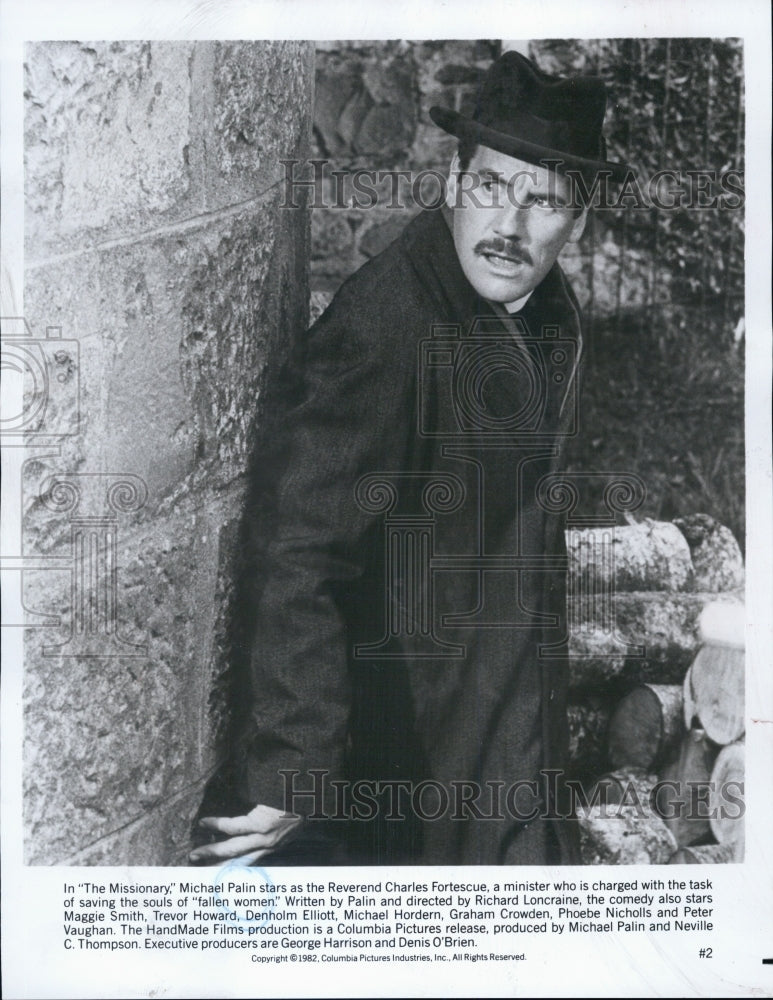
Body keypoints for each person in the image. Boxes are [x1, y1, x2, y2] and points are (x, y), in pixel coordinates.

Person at [190, 50, 629, 866]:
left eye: (543, 202)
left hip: (504, 721)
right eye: (492, 187)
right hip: (407, 743)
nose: (509, 226)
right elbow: (296, 548)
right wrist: (294, 770)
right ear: (454, 184)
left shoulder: (548, 313)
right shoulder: (386, 323)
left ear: (577, 222)